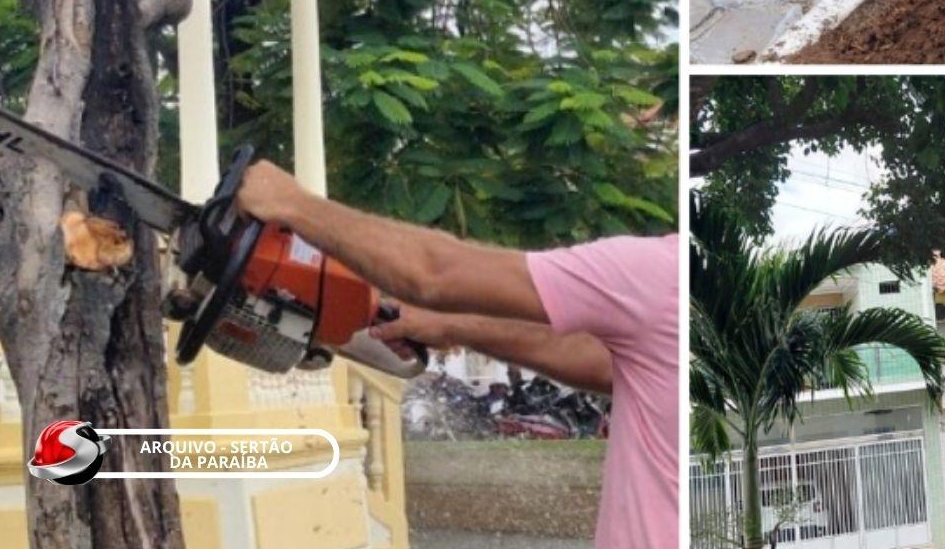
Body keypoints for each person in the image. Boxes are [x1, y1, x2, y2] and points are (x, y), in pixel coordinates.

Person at [235, 161, 679, 549]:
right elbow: (597, 359)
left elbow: (433, 272)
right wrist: (449, 326)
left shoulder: (661, 275)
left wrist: (292, 203)